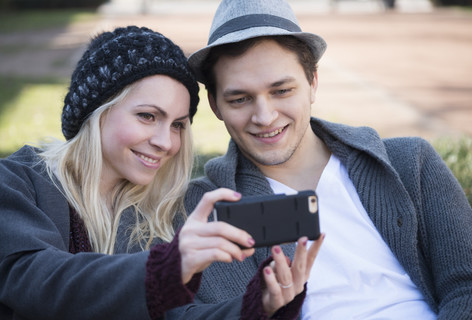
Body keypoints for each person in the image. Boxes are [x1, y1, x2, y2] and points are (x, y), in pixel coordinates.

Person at [0, 26, 323, 320]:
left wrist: (259, 307)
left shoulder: (155, 216)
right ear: (97, 111)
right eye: (148, 116)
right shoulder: (13, 183)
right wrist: (170, 264)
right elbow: (30, 279)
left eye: (178, 124)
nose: (166, 142)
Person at [167, 0, 472, 319]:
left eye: (282, 91)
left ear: (313, 82)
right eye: (240, 99)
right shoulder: (201, 211)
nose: (265, 116)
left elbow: (466, 286)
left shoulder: (411, 162)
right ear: (215, 105)